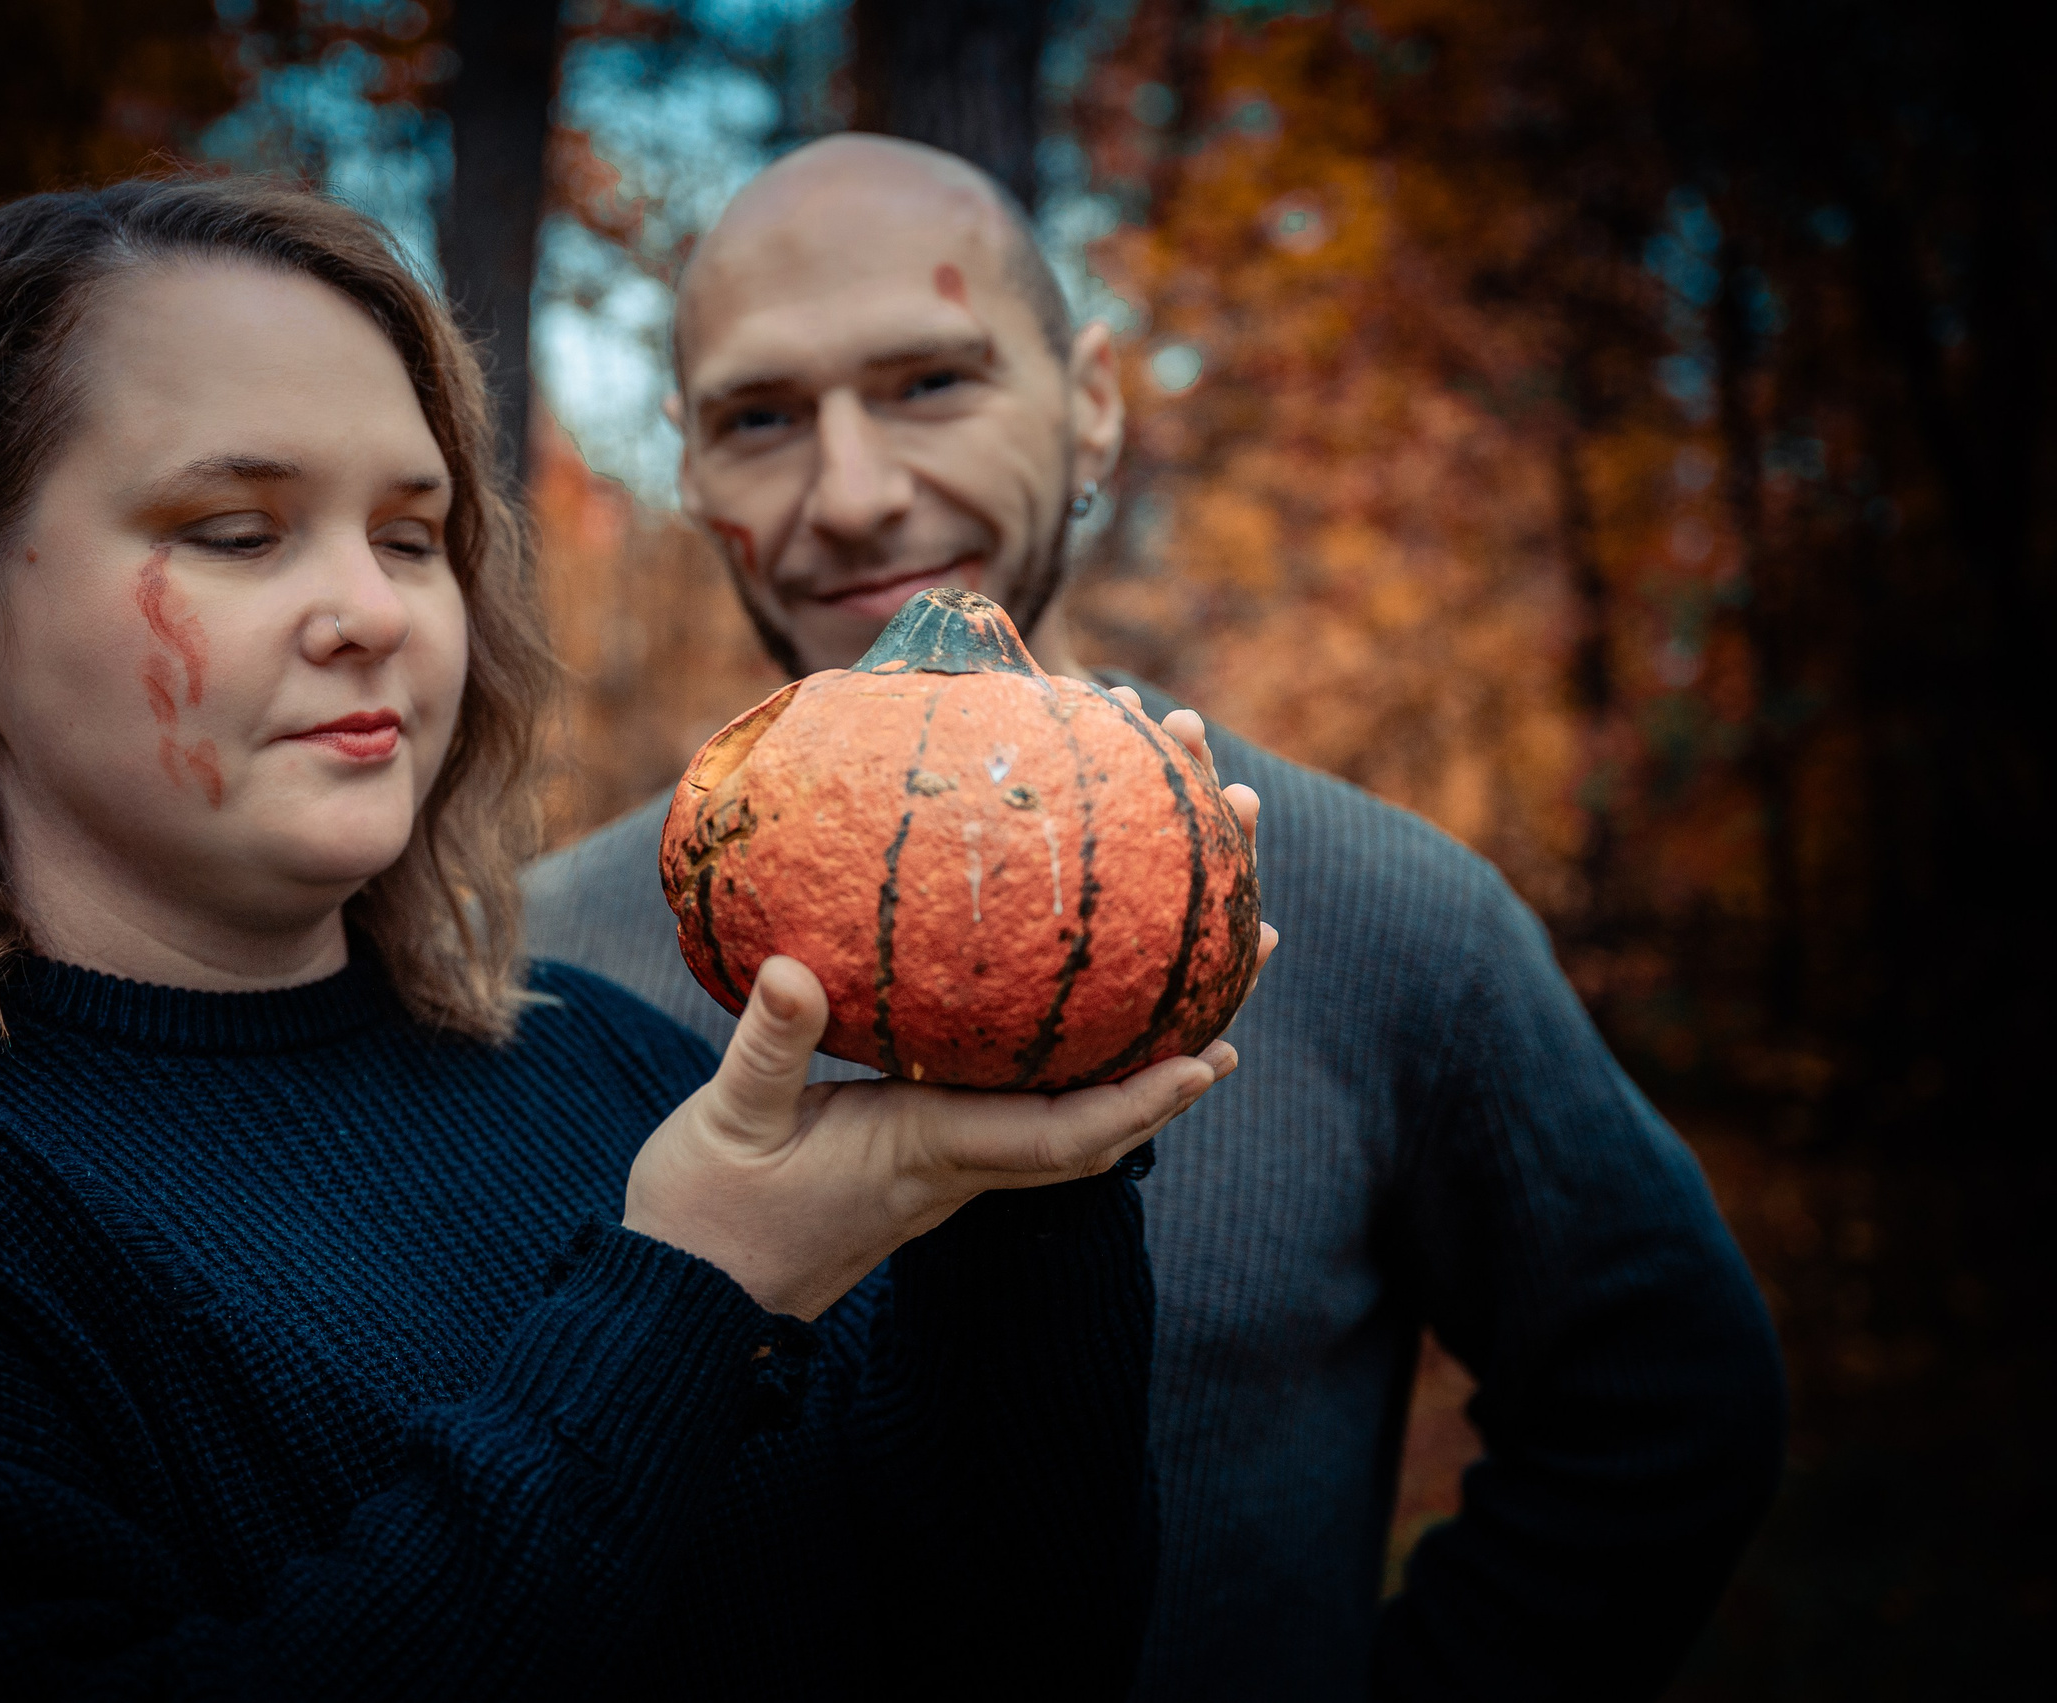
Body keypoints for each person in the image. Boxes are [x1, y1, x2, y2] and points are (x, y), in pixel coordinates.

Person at [0, 176, 1258, 1699]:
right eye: (238, 530)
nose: (370, 614)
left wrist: (1031, 1161)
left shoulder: (607, 1065)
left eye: (412, 536)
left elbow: (1006, 1660)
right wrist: (687, 1295)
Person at [522, 134, 1789, 1700]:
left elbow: (1669, 1404)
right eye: (761, 417)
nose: (851, 494)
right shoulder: (536, 960)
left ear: (1093, 404)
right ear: (694, 468)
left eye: (932, 383)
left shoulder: (1386, 908)